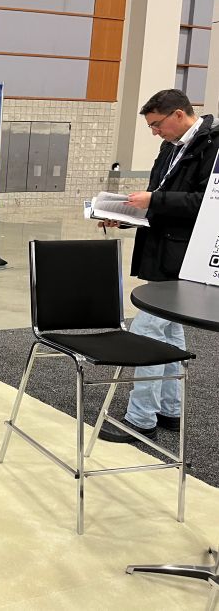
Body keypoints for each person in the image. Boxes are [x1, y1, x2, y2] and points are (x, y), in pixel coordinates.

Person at [98, 89, 218, 443]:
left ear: (179, 115)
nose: (154, 132)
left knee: (147, 333)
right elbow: (159, 201)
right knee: (169, 332)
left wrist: (154, 199)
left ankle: (141, 418)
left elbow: (205, 203)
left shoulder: (212, 147)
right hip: (160, 252)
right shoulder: (171, 148)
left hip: (185, 257)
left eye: (156, 125)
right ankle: (170, 409)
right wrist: (127, 216)